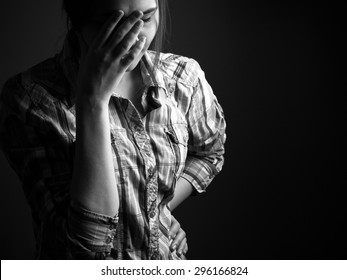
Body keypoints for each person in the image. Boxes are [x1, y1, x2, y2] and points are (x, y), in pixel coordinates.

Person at [0, 0, 226, 260]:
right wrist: (92, 102)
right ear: (78, 20)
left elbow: (209, 153)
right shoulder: (30, 99)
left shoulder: (182, 78)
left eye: (147, 18)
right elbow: (84, 248)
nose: (134, 38)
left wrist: (156, 213)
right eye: (112, 23)